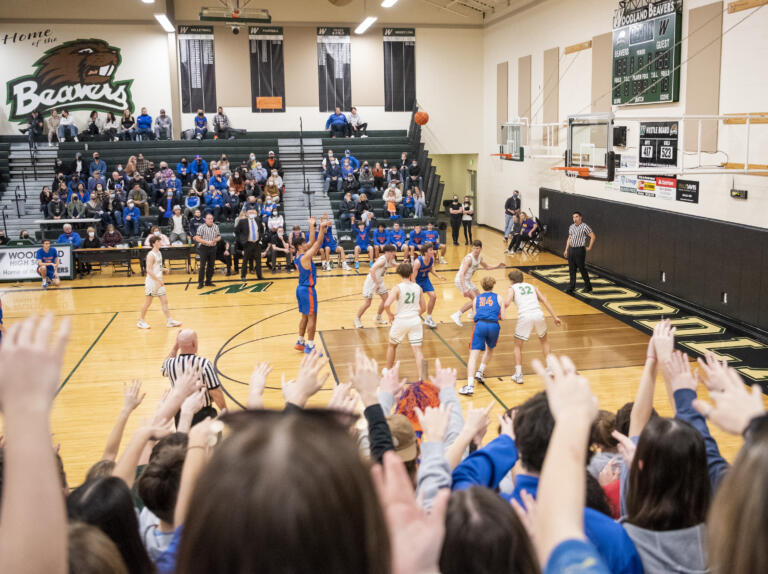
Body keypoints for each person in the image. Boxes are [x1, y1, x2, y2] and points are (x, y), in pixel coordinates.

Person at [505, 268, 561, 384]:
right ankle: (550, 369)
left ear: (511, 281)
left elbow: (507, 302)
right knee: (544, 341)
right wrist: (555, 317)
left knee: (517, 345)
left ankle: (519, 374)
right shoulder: (532, 286)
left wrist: (501, 308)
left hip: (525, 316)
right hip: (538, 314)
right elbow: (544, 301)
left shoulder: (512, 288)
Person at [162, 329, 227, 424]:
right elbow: (214, 391)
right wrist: (225, 410)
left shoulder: (169, 363)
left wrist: (176, 347)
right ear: (194, 344)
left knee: (184, 437)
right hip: (202, 414)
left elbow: (163, 370)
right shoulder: (203, 363)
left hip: (180, 413)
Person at [459, 276, 506, 395]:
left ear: (482, 286)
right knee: (490, 349)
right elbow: (503, 317)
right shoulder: (499, 297)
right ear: (493, 285)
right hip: (494, 326)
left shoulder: (476, 299)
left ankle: (470, 386)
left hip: (480, 325)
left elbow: (475, 315)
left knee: (473, 356)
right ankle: (480, 371)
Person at [384, 261, 426, 381]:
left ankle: (388, 372)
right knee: (418, 351)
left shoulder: (397, 288)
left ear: (399, 274)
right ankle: (423, 377)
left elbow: (387, 304)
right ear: (411, 273)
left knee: (392, 346)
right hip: (415, 321)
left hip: (401, 320)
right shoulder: (418, 288)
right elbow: (423, 308)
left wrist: (390, 315)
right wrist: (413, 314)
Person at [450, 240, 505, 327]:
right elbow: (461, 274)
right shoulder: (469, 259)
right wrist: (464, 289)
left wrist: (497, 266)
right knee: (475, 300)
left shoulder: (479, 257)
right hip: (461, 280)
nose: (476, 250)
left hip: (468, 280)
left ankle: (471, 313)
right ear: (472, 248)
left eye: (478, 248)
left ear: (481, 249)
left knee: (479, 297)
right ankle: (457, 315)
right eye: (474, 248)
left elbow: (486, 267)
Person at [293, 217, 327, 354]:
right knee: (313, 317)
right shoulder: (306, 257)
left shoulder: (297, 256)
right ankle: (311, 346)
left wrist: (311, 225)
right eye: (304, 243)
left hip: (300, 289)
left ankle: (300, 342)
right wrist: (322, 228)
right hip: (308, 290)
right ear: (301, 246)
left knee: (304, 317)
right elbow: (317, 243)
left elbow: (312, 241)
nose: (307, 244)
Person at [136, 235, 182, 329]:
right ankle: (141, 321)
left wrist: (164, 269)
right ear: (154, 243)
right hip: (152, 282)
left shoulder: (159, 253)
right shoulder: (150, 255)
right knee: (148, 303)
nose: (160, 243)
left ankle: (169, 321)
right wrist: (158, 280)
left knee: (165, 301)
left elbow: (157, 266)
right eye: (158, 242)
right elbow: (148, 270)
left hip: (159, 281)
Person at [355, 244, 397, 328]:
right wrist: (376, 284)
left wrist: (403, 264)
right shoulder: (382, 260)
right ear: (388, 252)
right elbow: (372, 270)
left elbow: (392, 264)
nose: (394, 254)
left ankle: (378, 317)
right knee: (368, 303)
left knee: (386, 300)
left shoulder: (389, 259)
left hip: (379, 281)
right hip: (372, 282)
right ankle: (357, 319)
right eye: (393, 252)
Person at [412, 243, 445, 329]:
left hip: (425, 280)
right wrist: (416, 287)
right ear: (425, 252)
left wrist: (438, 276)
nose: (433, 251)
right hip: (416, 282)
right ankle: (410, 319)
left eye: (432, 249)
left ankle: (428, 317)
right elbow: (412, 277)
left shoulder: (431, 259)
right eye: (430, 250)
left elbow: (430, 269)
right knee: (417, 305)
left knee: (433, 296)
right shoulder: (418, 262)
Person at [564, 210, 595, 294]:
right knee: (571, 269)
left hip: (579, 250)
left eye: (576, 217)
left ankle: (588, 286)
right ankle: (571, 286)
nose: (575, 218)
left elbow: (592, 236)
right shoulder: (571, 226)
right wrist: (566, 249)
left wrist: (589, 247)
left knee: (582, 268)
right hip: (571, 249)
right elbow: (569, 238)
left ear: (580, 217)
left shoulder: (584, 226)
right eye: (573, 217)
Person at [235, 206, 264, 280]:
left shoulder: (258, 220)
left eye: (253, 212)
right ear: (246, 214)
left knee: (258, 261)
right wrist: (242, 240)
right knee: (245, 260)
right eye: (250, 212)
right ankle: (243, 276)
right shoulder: (242, 221)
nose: (251, 213)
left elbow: (261, 229)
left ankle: (259, 275)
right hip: (248, 243)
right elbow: (236, 231)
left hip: (256, 243)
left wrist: (260, 237)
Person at [194, 214, 220, 289]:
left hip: (213, 248)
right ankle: (200, 283)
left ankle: (208, 281)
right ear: (205, 219)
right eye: (209, 219)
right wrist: (206, 242)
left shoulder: (216, 226)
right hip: (204, 248)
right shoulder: (201, 227)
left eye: (211, 218)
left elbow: (219, 236)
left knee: (211, 266)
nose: (210, 220)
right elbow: (197, 238)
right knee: (202, 266)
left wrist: (216, 239)